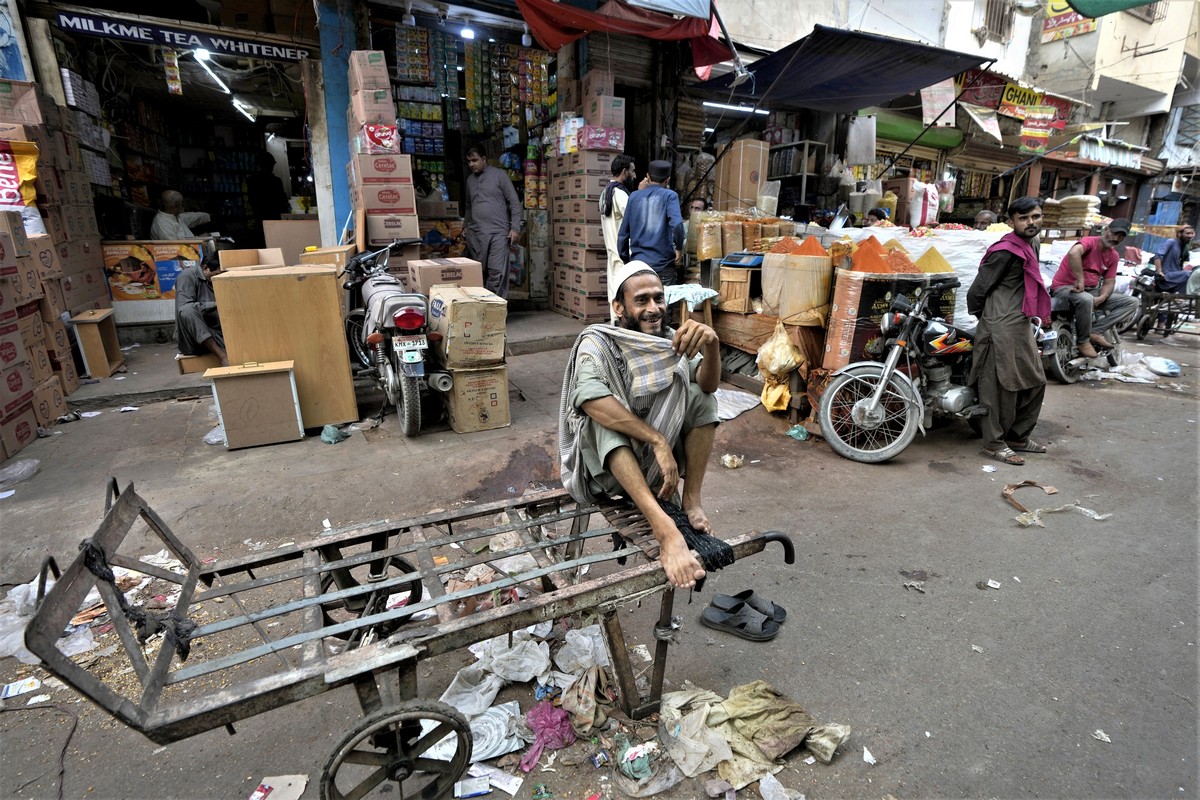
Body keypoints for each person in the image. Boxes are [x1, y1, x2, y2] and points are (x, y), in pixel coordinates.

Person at [559, 261, 720, 589]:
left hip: (655, 470)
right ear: (619, 307)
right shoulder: (599, 342)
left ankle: (691, 501)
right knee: (599, 417)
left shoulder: (672, 341)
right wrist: (658, 441)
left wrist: (713, 345)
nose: (654, 308)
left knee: (701, 398)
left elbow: (708, 385)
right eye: (642, 300)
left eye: (659, 298)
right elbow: (588, 398)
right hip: (608, 474)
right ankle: (665, 530)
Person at [967, 197, 1050, 467]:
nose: (1030, 222)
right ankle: (993, 443)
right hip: (999, 324)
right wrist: (990, 318)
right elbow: (977, 292)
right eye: (1023, 218)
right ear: (1012, 221)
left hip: (1021, 323)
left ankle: (1017, 436)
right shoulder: (1005, 250)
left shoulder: (1032, 243)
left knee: (1035, 380)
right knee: (1000, 387)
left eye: (1035, 217)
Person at [1049, 218, 1141, 358]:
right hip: (1066, 288)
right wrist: (1080, 280)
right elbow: (1074, 253)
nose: (1116, 238)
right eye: (1114, 233)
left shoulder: (1113, 256)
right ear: (1106, 230)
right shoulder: (1089, 242)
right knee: (1086, 299)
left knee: (1132, 302)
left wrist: (1102, 297)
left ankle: (1095, 331)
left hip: (1091, 291)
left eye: (1121, 236)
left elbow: (1109, 282)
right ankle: (1083, 341)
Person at [463, 145, 522, 298]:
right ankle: (481, 306)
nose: (472, 164)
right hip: (477, 234)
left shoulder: (499, 175)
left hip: (498, 233)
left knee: (496, 272)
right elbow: (469, 206)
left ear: (484, 159)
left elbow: (514, 202)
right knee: (479, 271)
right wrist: (466, 227)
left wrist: (515, 227)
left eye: (475, 160)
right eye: (469, 161)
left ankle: (492, 307)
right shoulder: (470, 180)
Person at [618, 160, 684, 285]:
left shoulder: (633, 197)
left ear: (648, 176)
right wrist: (679, 248)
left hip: (638, 266)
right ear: (667, 180)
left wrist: (627, 260)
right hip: (663, 266)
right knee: (662, 303)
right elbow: (677, 225)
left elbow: (622, 235)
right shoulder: (670, 196)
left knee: (640, 303)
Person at [175, 252, 227, 366]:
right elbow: (183, 308)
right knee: (188, 310)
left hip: (216, 334)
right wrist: (217, 304)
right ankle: (222, 357)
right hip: (192, 338)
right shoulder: (187, 276)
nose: (220, 277)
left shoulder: (217, 279)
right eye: (218, 274)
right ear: (205, 268)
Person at [600, 154, 637, 303]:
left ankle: (615, 324)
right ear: (624, 172)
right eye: (632, 171)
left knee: (615, 293)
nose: (634, 176)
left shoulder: (605, 193)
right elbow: (634, 221)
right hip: (623, 253)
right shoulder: (620, 194)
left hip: (612, 252)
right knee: (625, 296)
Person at [245, 152, 289, 246]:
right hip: (274, 218)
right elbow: (283, 201)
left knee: (264, 243)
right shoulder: (275, 181)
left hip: (260, 219)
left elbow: (251, 200)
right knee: (276, 243)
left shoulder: (252, 181)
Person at [1151, 225, 1195, 294]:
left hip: (1176, 277)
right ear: (1179, 234)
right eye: (1187, 233)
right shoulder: (1171, 242)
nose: (1190, 236)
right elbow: (1158, 256)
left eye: (1192, 233)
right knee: (1189, 274)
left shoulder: (1184, 247)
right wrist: (1159, 271)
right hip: (1166, 277)